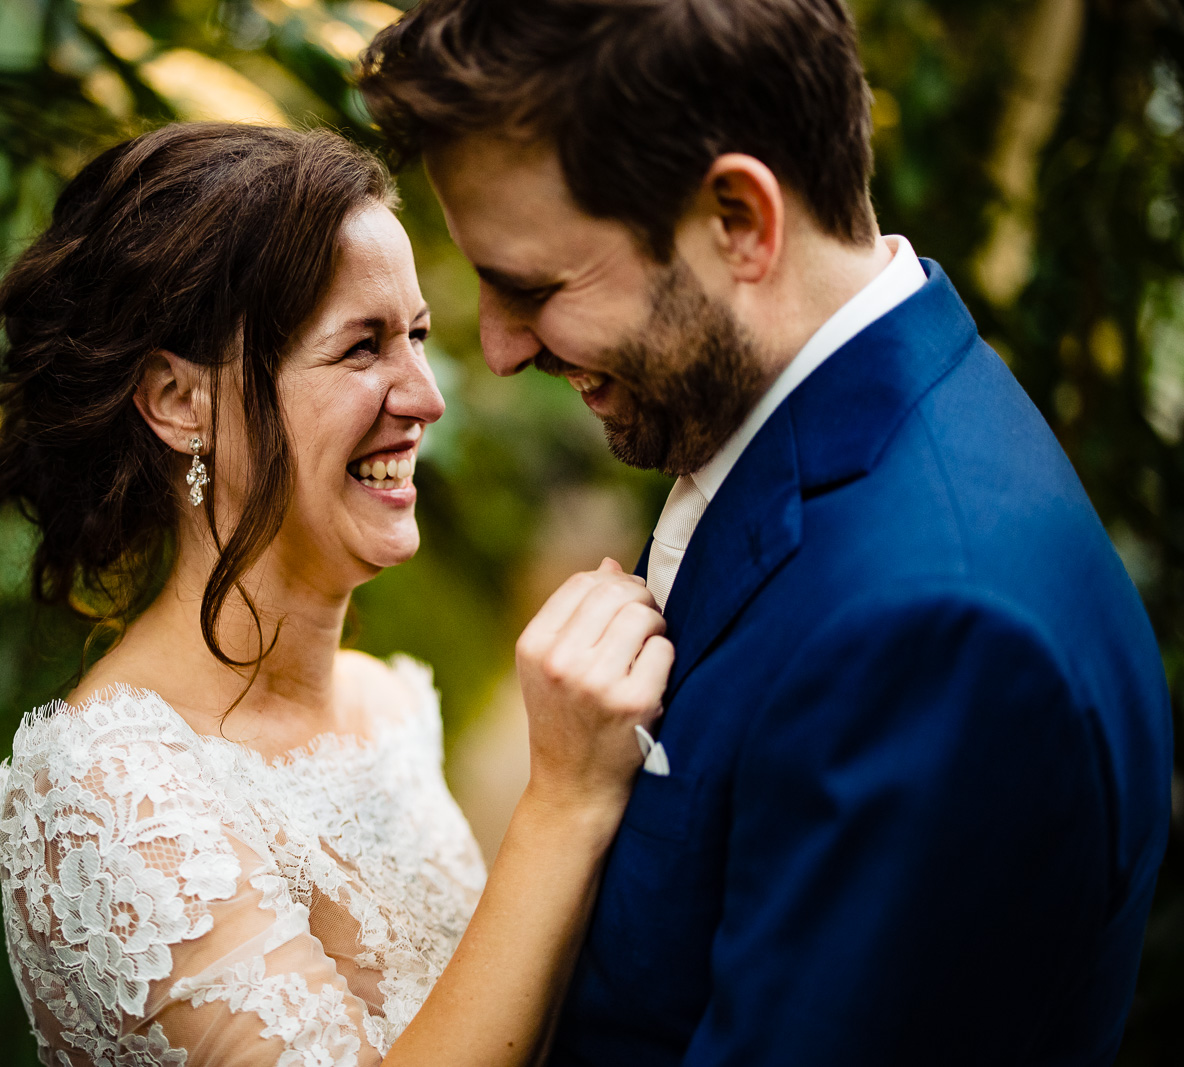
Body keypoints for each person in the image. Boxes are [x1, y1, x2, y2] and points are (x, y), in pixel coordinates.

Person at [358, 1, 1173, 1064]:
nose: (501, 351)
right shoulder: (769, 420)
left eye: (533, 286)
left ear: (738, 218)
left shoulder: (937, 633)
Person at [0, 122, 674, 1067]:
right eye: (363, 347)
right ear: (182, 402)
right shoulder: (109, 794)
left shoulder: (387, 707)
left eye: (419, 336)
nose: (426, 396)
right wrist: (561, 802)